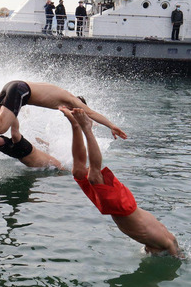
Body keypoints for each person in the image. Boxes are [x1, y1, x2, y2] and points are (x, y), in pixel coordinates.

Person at [60, 107, 179, 256]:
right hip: (123, 208)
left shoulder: (158, 240)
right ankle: (87, 128)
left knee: (78, 171)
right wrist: (178, 258)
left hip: (120, 209)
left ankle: (75, 124)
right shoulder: (164, 242)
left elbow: (168, 241)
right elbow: (171, 244)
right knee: (94, 175)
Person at [0, 80, 127, 140]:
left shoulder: (61, 93)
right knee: (1, 128)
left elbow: (88, 119)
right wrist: (111, 125)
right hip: (20, 90)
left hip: (13, 84)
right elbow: (91, 113)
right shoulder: (71, 99)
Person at [0, 125, 64, 169]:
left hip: (15, 154)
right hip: (26, 151)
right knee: (15, 134)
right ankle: (12, 112)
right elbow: (62, 168)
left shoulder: (49, 160)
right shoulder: (55, 162)